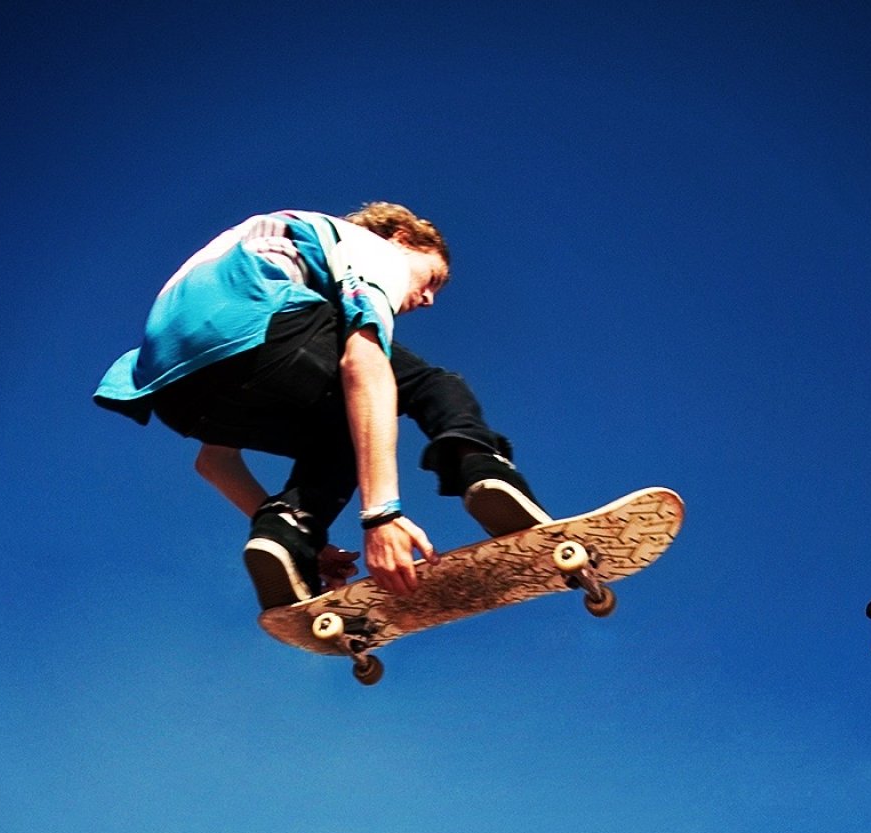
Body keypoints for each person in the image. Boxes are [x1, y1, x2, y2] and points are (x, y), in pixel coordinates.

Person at [93, 203, 549, 609]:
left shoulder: (263, 246)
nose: (429, 300)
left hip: (178, 391)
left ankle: (287, 535)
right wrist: (382, 516)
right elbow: (362, 361)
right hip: (263, 330)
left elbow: (215, 462)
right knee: (432, 383)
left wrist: (306, 541)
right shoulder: (373, 248)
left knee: (342, 437)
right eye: (433, 279)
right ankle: (481, 469)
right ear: (404, 239)